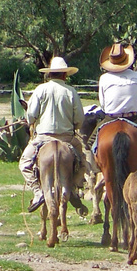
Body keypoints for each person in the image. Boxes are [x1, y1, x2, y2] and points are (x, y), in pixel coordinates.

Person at [19, 56, 89, 213]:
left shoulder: (40, 90)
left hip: (43, 138)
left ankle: (38, 192)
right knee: (84, 163)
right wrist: (74, 126)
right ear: (65, 75)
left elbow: (30, 116)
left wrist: (33, 120)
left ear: (50, 74)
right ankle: (72, 188)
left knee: (24, 163)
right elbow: (79, 119)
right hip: (67, 138)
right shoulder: (71, 92)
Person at [96, 42, 137, 170]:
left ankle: (94, 171)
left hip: (111, 118)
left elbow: (103, 104)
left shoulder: (104, 78)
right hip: (133, 119)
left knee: (90, 143)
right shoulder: (136, 76)